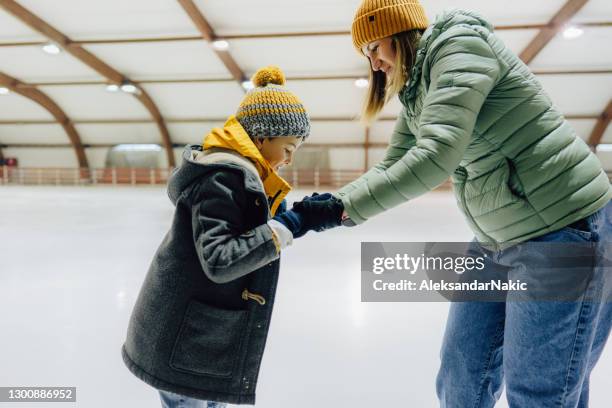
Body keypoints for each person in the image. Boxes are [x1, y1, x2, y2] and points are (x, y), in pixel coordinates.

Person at [290, 1, 612, 406]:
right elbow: (394, 162)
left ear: (397, 31)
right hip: (495, 236)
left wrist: (340, 210)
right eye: (365, 55)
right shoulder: (417, 90)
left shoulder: (460, 48)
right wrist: (332, 203)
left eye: (373, 48)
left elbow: (436, 154)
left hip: (563, 226)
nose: (373, 64)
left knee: (539, 391)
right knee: (462, 377)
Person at [121, 66, 325, 407]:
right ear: (261, 139)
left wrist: (295, 216)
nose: (290, 160)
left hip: (198, 339)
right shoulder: (222, 178)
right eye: (289, 148)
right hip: (183, 342)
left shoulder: (242, 176)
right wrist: (292, 223)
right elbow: (220, 258)